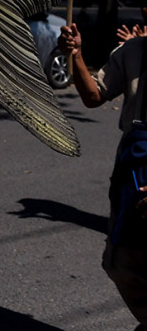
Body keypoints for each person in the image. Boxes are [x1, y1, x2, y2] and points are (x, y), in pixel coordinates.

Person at [59, 21, 147, 327]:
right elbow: (94, 95)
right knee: (122, 262)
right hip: (134, 170)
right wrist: (77, 55)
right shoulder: (133, 51)